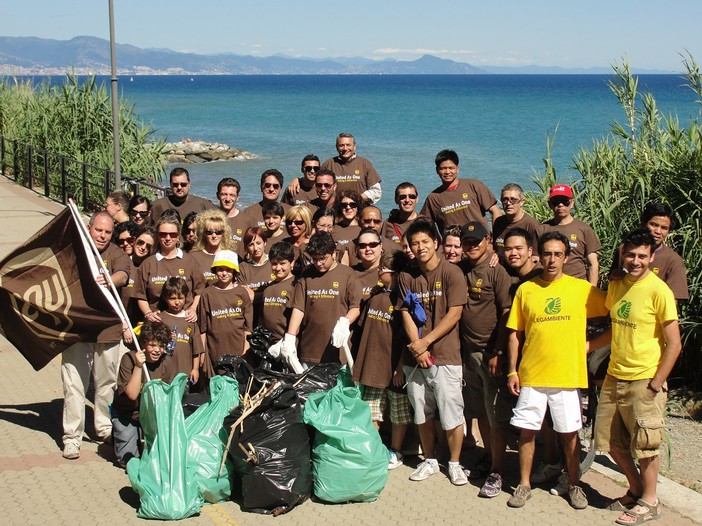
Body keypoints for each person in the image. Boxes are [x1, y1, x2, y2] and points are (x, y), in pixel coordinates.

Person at [505, 231, 608, 510]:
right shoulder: (527, 289)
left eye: (558, 254)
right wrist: (512, 371)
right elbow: (515, 333)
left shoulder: (583, 290)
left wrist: (590, 345)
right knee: (526, 432)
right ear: (539, 255)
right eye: (547, 254)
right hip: (532, 376)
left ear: (566, 257)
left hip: (567, 376)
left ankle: (574, 485)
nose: (552, 260)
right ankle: (524, 485)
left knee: (570, 435)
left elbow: (616, 316)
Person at [595, 228, 682, 525]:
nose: (635, 260)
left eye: (642, 256)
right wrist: (586, 347)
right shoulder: (617, 284)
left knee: (646, 445)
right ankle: (634, 490)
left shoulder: (659, 291)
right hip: (614, 375)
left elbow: (675, 343)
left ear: (651, 257)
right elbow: (615, 327)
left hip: (644, 379)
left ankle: (650, 501)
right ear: (622, 252)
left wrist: (656, 384)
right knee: (610, 442)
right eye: (630, 254)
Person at [397, 219, 468, 486]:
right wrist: (417, 349)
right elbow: (405, 311)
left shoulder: (452, 273)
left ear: (436, 243)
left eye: (425, 242)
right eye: (415, 243)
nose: (420, 247)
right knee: (421, 413)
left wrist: (427, 342)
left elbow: (455, 312)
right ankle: (429, 460)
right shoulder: (407, 276)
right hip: (415, 359)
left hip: (446, 355)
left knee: (451, 413)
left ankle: (455, 463)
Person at [61, 211, 131, 460]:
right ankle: (72, 437)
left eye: (107, 232)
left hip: (107, 331)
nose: (102, 235)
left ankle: (104, 429)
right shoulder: (75, 251)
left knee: (105, 386)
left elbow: (123, 274)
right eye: (98, 230)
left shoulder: (116, 253)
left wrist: (109, 280)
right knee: (74, 385)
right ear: (89, 228)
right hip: (77, 330)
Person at [457, 222, 514, 498]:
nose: (471, 246)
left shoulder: (497, 271)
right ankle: (488, 456)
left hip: (490, 353)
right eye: (467, 242)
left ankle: (498, 470)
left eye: (476, 242)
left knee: (496, 415)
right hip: (468, 352)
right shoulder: (462, 269)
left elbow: (506, 313)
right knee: (480, 410)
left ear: (488, 240)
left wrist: (499, 352)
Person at [352, 249, 412, 470]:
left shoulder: (403, 300)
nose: (379, 271)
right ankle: (375, 448)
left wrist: (399, 368)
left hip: (395, 368)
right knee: (371, 411)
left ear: (396, 274)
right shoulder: (374, 297)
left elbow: (408, 338)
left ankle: (396, 451)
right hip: (372, 368)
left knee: (398, 413)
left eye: (383, 269)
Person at [283, 232, 363, 365]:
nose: (319, 263)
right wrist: (290, 337)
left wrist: (345, 323)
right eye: (315, 259)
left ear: (333, 253)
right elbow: (298, 308)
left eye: (323, 259)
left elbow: (355, 307)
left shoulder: (348, 274)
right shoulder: (306, 274)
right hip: (309, 350)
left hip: (338, 351)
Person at [111, 321, 176, 467]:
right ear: (144, 345)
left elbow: (168, 398)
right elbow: (132, 395)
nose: (157, 350)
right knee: (128, 461)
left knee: (160, 457)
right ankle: (118, 435)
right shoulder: (129, 359)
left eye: (161, 346)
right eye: (152, 345)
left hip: (152, 416)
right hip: (128, 414)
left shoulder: (167, 362)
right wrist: (139, 366)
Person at [611, 201, 688, 302]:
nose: (658, 231)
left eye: (664, 228)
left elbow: (672, 302)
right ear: (643, 223)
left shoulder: (673, 260)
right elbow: (612, 282)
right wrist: (617, 275)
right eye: (654, 225)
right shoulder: (624, 250)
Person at [134, 214, 204, 324]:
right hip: (157, 322)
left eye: (172, 234)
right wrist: (148, 313)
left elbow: (199, 291)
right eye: (163, 234)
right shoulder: (148, 263)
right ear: (157, 235)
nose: (167, 238)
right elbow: (140, 295)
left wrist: (193, 309)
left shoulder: (190, 261)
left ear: (178, 235)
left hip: (185, 323)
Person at [419, 149, 502, 235]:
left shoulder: (474, 185)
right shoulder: (433, 198)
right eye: (443, 168)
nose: (447, 172)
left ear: (457, 169)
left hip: (481, 243)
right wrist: (438, 245)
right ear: (437, 170)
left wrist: (496, 238)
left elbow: (495, 211)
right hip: (453, 246)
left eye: (451, 168)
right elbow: (424, 225)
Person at [198, 250, 253, 366]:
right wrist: (202, 354)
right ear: (215, 270)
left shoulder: (242, 293)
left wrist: (246, 350)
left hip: (238, 349)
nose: (224, 273)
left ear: (234, 271)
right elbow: (203, 328)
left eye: (228, 269)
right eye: (220, 269)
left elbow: (248, 327)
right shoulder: (207, 294)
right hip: (215, 351)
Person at [541, 184, 600, 286]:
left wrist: (592, 291)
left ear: (572, 203)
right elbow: (536, 260)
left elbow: (593, 264)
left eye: (565, 201)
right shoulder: (543, 228)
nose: (560, 205)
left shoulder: (584, 229)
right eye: (556, 202)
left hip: (577, 286)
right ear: (550, 204)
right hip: (549, 285)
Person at [156, 278, 204, 382]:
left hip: (184, 374)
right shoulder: (160, 319)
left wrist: (195, 369)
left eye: (180, 298)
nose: (177, 302)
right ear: (165, 298)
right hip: (163, 374)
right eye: (172, 298)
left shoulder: (190, 320)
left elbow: (196, 348)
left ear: (186, 297)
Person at [321, 132, 381, 203]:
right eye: (341, 145)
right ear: (337, 147)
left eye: (348, 145)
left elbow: (376, 191)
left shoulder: (365, 164)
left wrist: (356, 198)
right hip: (335, 209)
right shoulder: (328, 164)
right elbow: (318, 188)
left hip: (359, 209)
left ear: (354, 146)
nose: (345, 148)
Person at [492, 183, 542, 258]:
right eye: (505, 199)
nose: (509, 203)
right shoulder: (499, 222)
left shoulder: (531, 225)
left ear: (522, 202)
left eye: (513, 200)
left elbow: (535, 257)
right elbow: (495, 249)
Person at [258, 241, 296, 340]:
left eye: (282, 263)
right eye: (274, 264)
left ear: (292, 262)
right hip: (267, 344)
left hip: (287, 343)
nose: (278, 268)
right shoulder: (268, 289)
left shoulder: (296, 285)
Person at [189, 209, 235, 287]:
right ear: (203, 233)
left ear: (223, 233)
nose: (214, 236)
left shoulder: (230, 256)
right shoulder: (193, 257)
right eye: (209, 232)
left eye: (218, 232)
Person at [150, 167, 215, 221]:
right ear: (170, 184)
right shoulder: (157, 206)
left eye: (183, 184)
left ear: (189, 184)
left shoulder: (203, 205)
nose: (179, 187)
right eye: (175, 184)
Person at [216, 177, 249, 256]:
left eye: (232, 195)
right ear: (217, 195)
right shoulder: (210, 219)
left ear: (237, 197)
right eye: (224, 194)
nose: (228, 199)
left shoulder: (247, 220)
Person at [238, 227, 274, 294]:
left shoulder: (274, 263)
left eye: (258, 243)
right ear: (246, 247)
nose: (255, 248)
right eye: (251, 245)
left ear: (265, 242)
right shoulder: (242, 268)